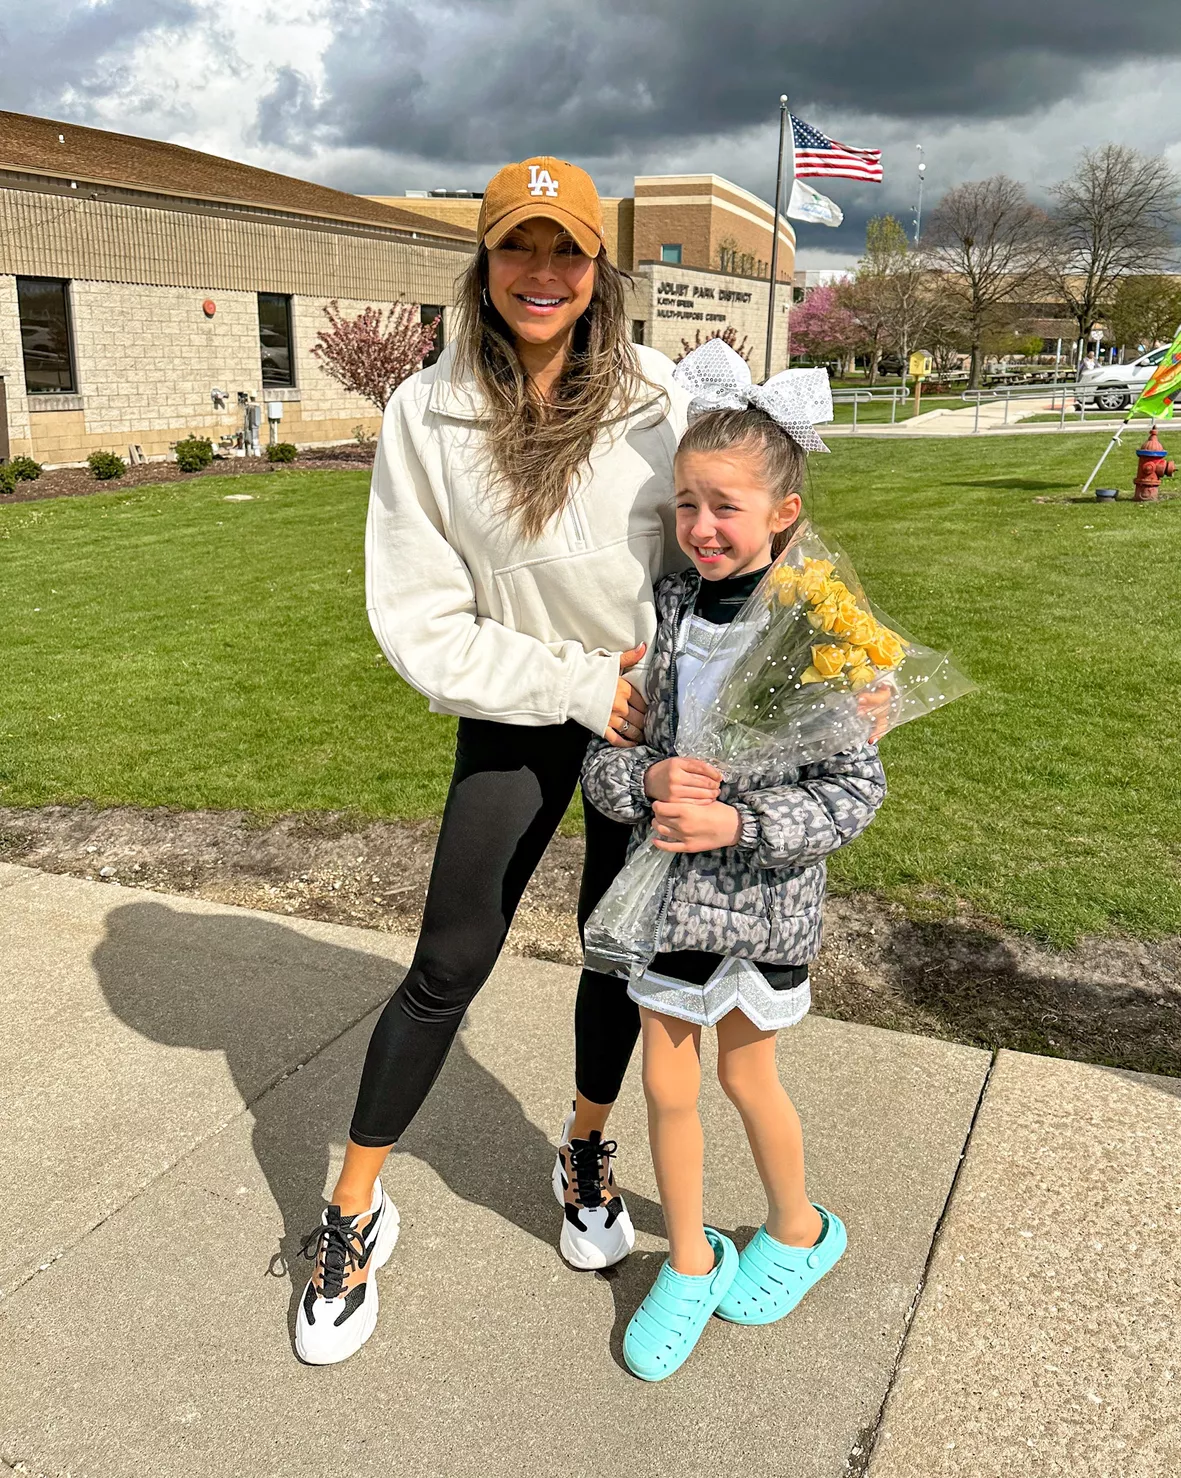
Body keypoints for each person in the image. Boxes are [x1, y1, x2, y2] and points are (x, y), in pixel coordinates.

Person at [294, 156, 692, 1365]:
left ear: (596, 268)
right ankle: (353, 1206)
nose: (542, 272)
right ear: (483, 259)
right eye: (518, 246)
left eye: (565, 249)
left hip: (649, 709)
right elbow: (421, 621)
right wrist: (577, 683)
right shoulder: (427, 410)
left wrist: (818, 655)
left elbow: (729, 533)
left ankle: (581, 1149)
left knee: (614, 949)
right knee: (448, 956)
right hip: (524, 707)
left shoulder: (660, 394)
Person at [581, 343, 887, 1382]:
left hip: (760, 912)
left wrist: (744, 825)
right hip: (664, 902)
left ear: (783, 512)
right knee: (666, 1085)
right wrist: (650, 785)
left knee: (750, 1076)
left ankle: (798, 1228)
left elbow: (850, 793)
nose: (702, 528)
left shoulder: (821, 637)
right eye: (684, 506)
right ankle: (692, 1255)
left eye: (725, 507)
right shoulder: (660, 619)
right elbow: (606, 761)